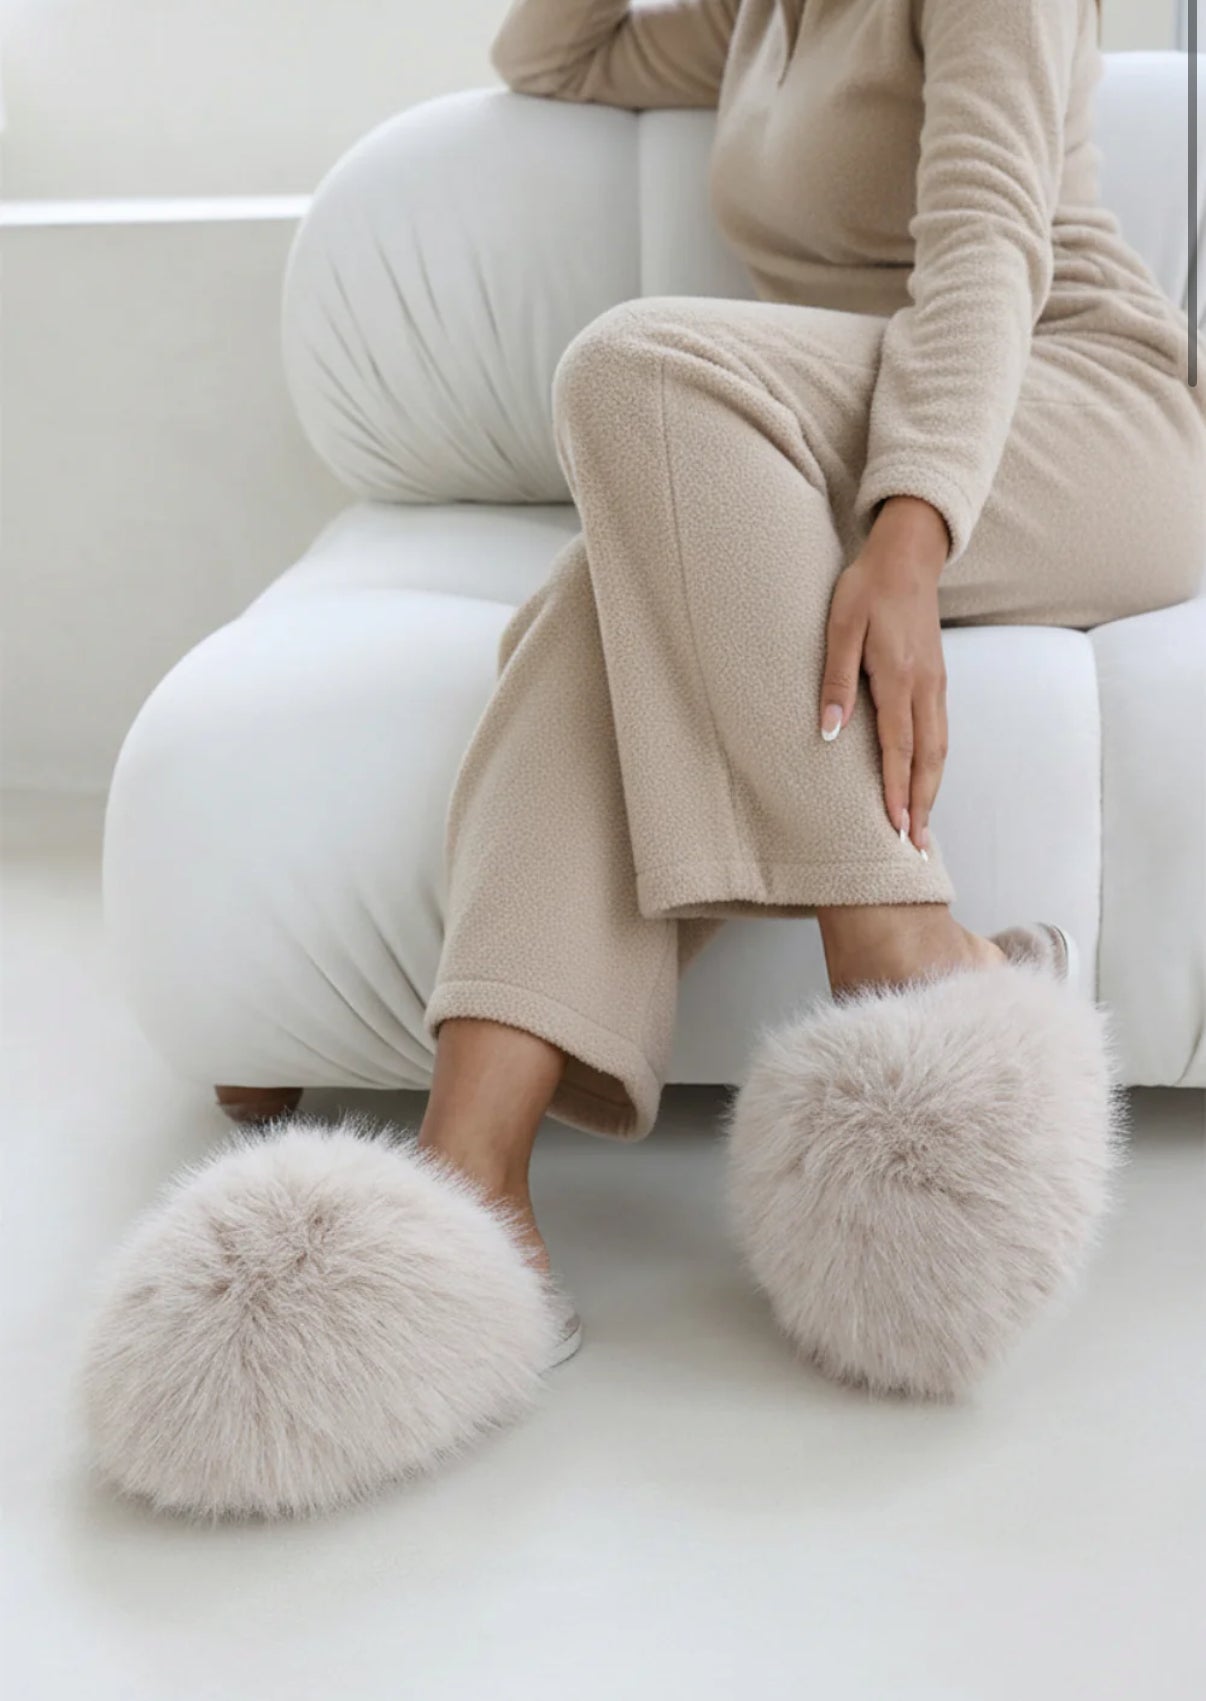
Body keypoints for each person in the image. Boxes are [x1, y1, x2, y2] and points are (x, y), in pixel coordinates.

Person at [79, 0, 1206, 1520]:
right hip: (815, 428)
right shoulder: (753, 18)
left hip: (1070, 416)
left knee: (636, 367)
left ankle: (898, 938)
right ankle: (468, 1186)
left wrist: (909, 528)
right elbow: (551, 55)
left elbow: (988, 244)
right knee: (606, 586)